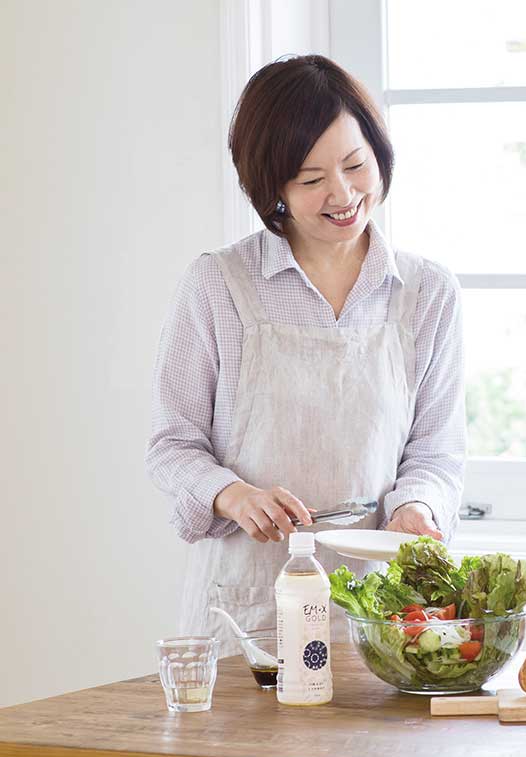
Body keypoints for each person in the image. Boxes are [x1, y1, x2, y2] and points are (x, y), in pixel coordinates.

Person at [146, 55, 465, 653]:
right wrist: (234, 496)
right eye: (310, 178)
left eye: (355, 165)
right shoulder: (219, 284)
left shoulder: (427, 292)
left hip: (385, 613)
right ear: (272, 187)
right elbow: (172, 446)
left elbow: (435, 451)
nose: (342, 194)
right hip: (248, 612)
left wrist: (418, 508)